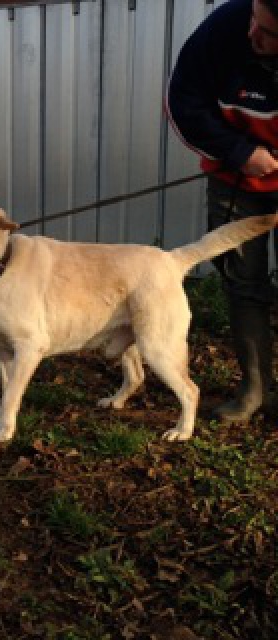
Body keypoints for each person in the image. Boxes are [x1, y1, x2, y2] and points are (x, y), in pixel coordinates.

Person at [166, 0, 278, 423]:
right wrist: (238, 151)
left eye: (268, 33)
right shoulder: (224, 28)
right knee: (242, 283)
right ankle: (253, 390)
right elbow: (183, 103)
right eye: (256, 19)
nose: (253, 34)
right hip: (235, 178)